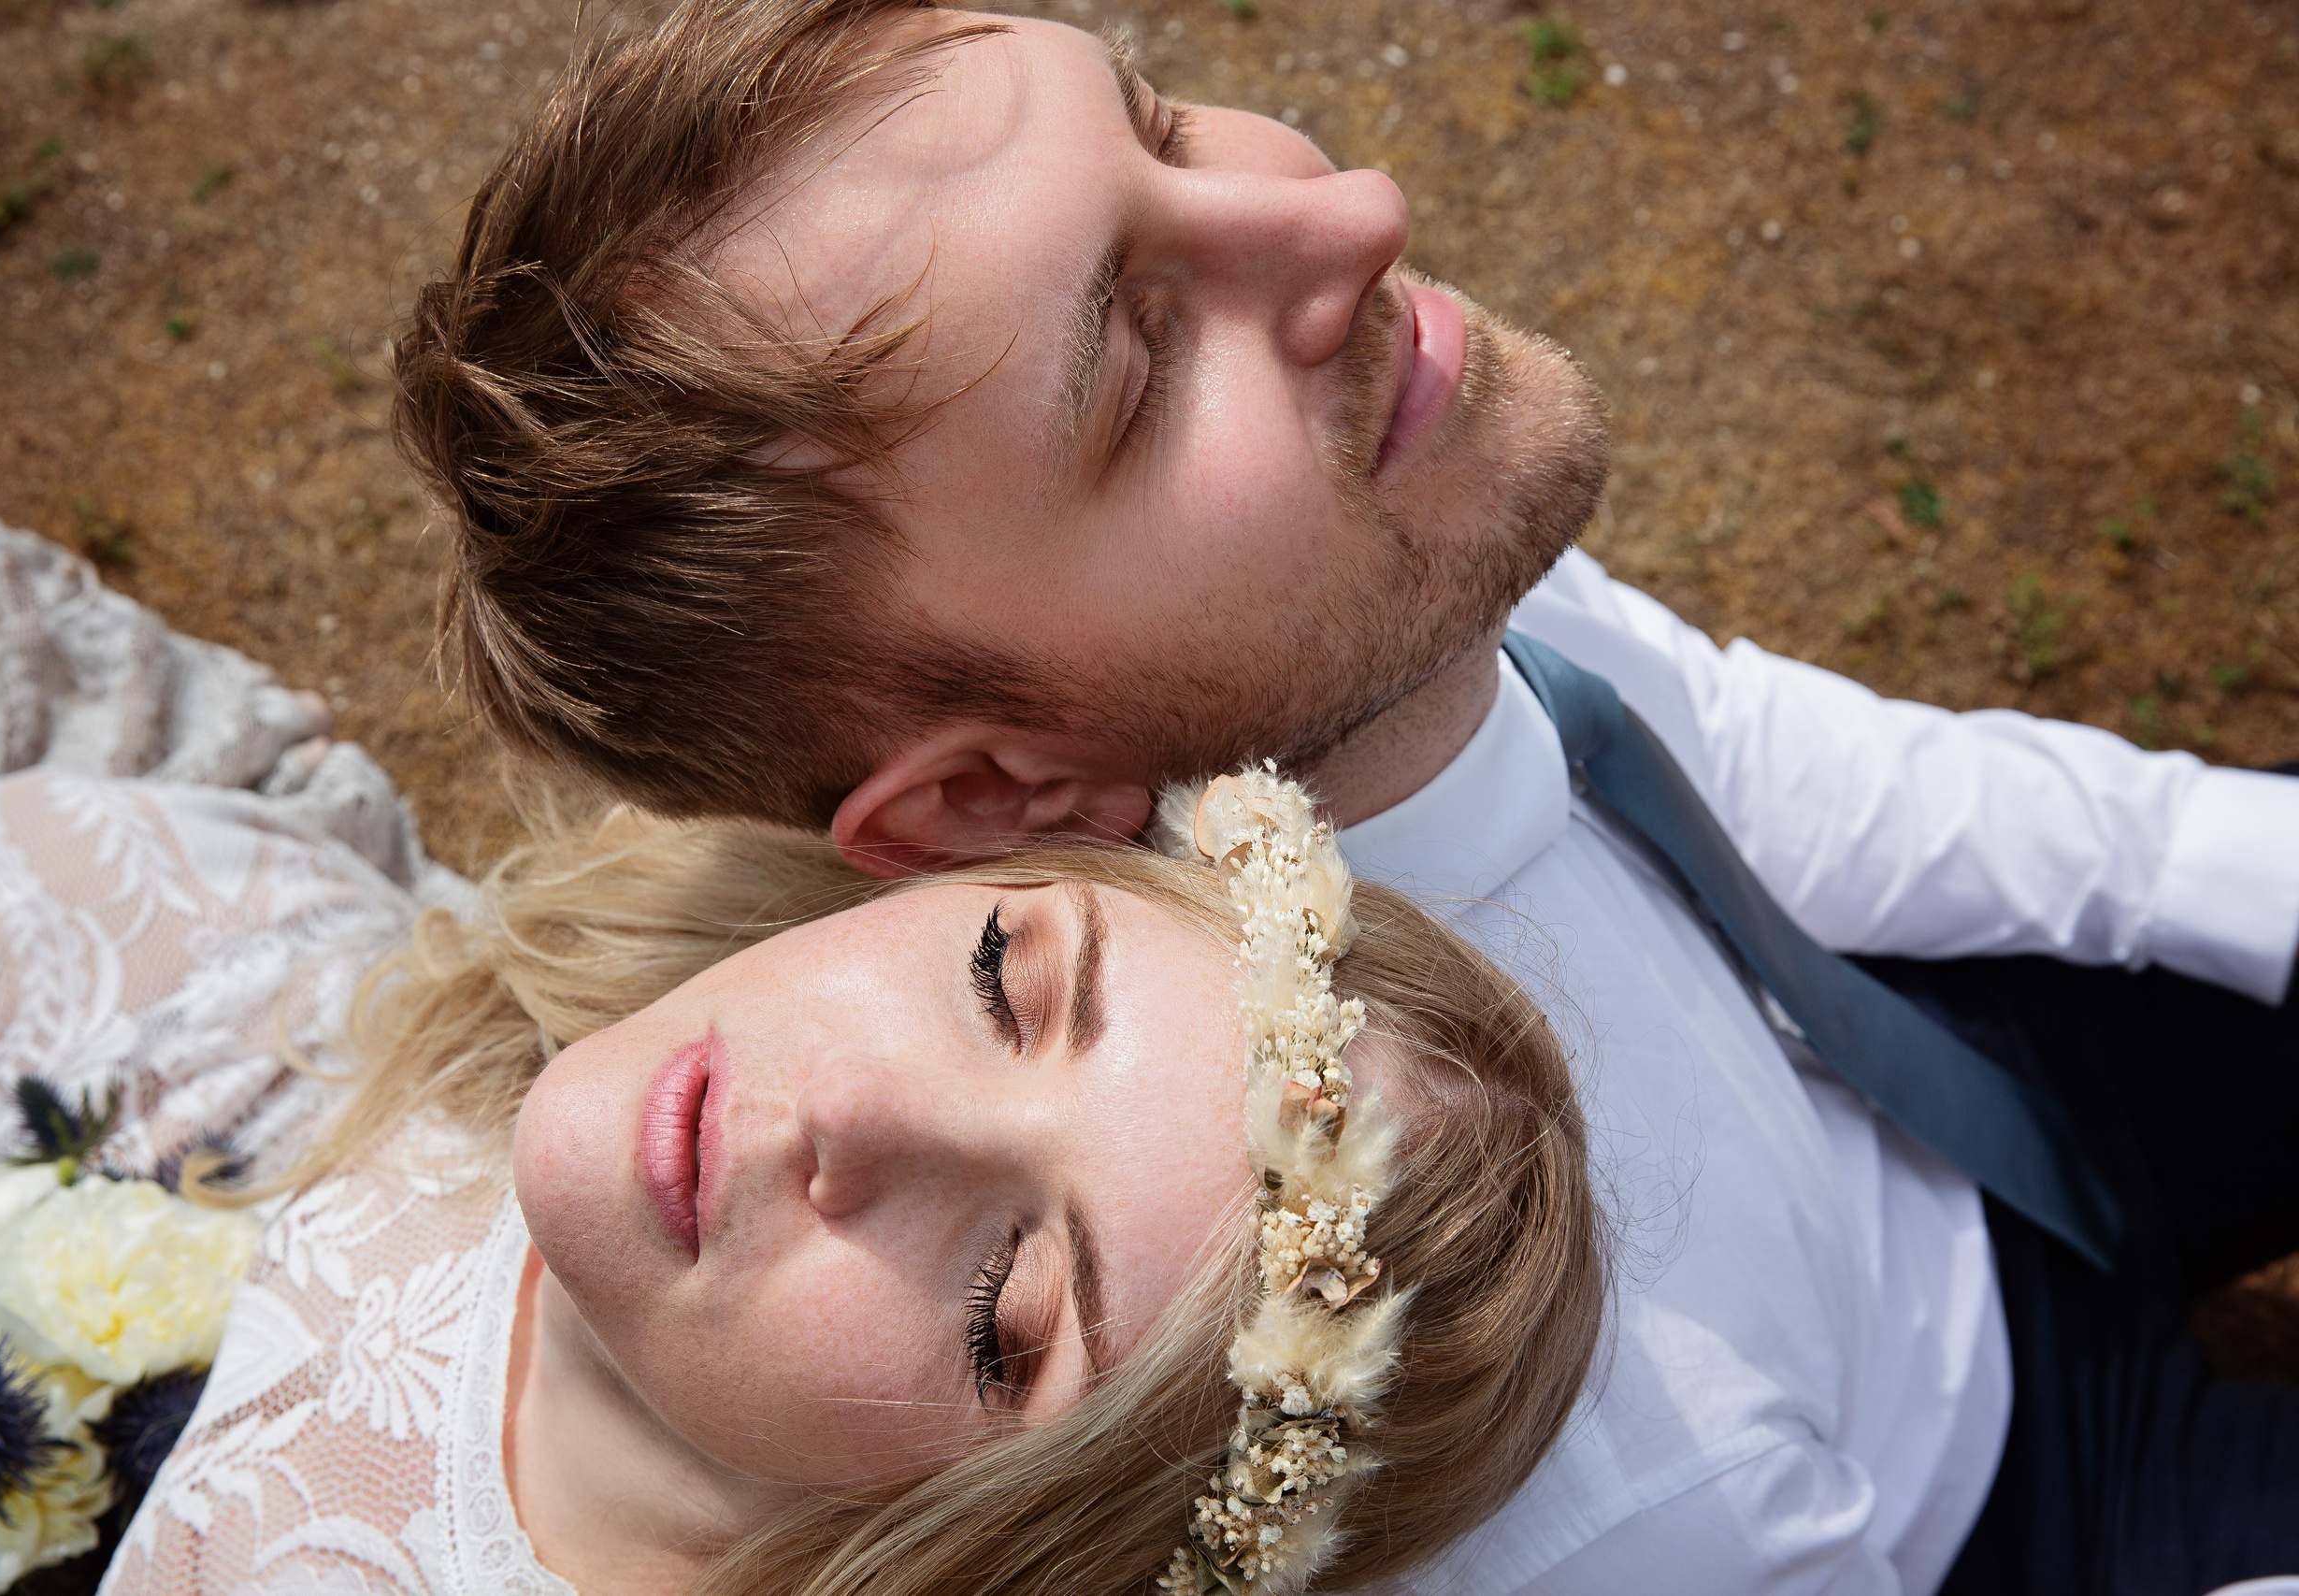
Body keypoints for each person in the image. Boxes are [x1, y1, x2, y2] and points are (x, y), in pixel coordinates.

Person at [391, 0, 2299, 1591]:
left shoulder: (1371, 566)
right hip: (2014, 1505)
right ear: (1004, 789)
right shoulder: (1537, 1469)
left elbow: (1760, 760)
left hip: (1938, 1073)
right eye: (1137, 367)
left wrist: (2223, 867)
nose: (1353, 211)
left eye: (1154, 124)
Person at [0, 517, 1602, 1596]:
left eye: (1002, 1311)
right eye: (1005, 976)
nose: (848, 1112)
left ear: (1008, 1546)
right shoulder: (238, 970)